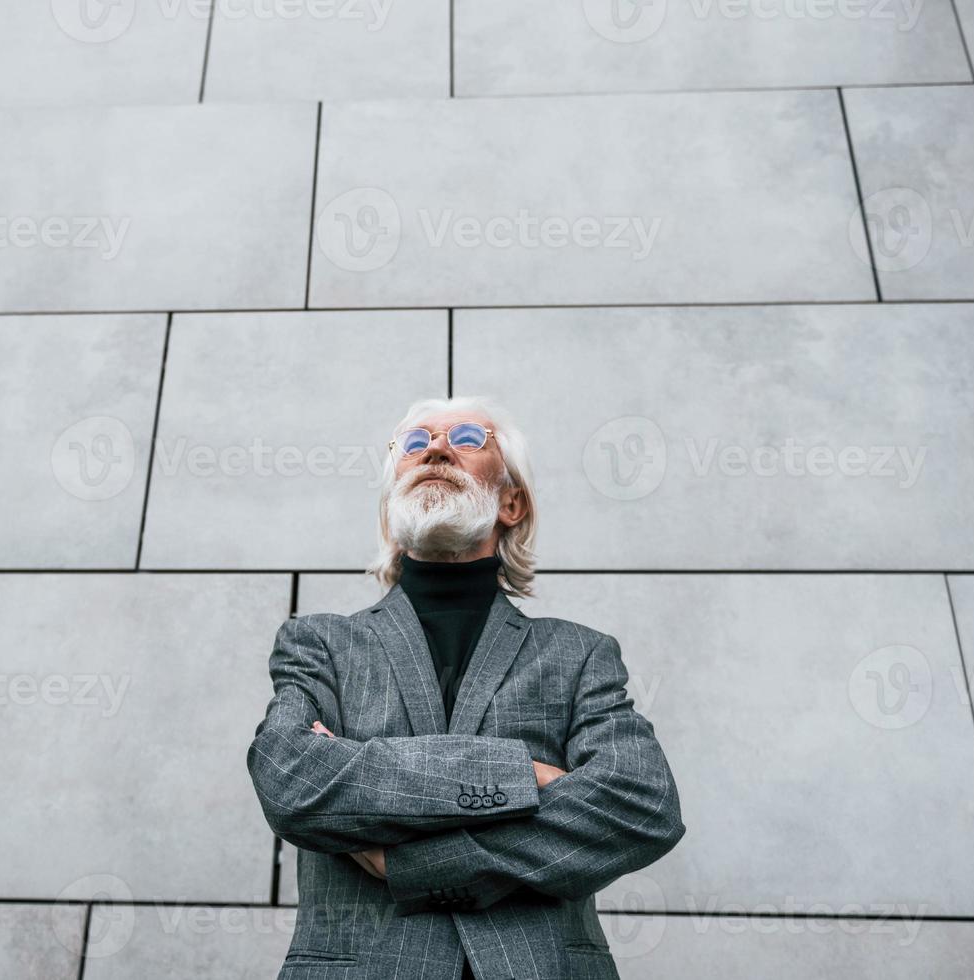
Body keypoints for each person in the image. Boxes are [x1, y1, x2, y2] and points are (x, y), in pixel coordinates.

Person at [247, 395, 686, 979]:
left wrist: (417, 862)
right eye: (413, 442)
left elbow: (641, 804)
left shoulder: (580, 654)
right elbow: (293, 782)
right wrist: (515, 776)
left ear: (511, 502)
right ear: (390, 509)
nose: (433, 448)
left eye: (467, 439)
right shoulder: (319, 644)